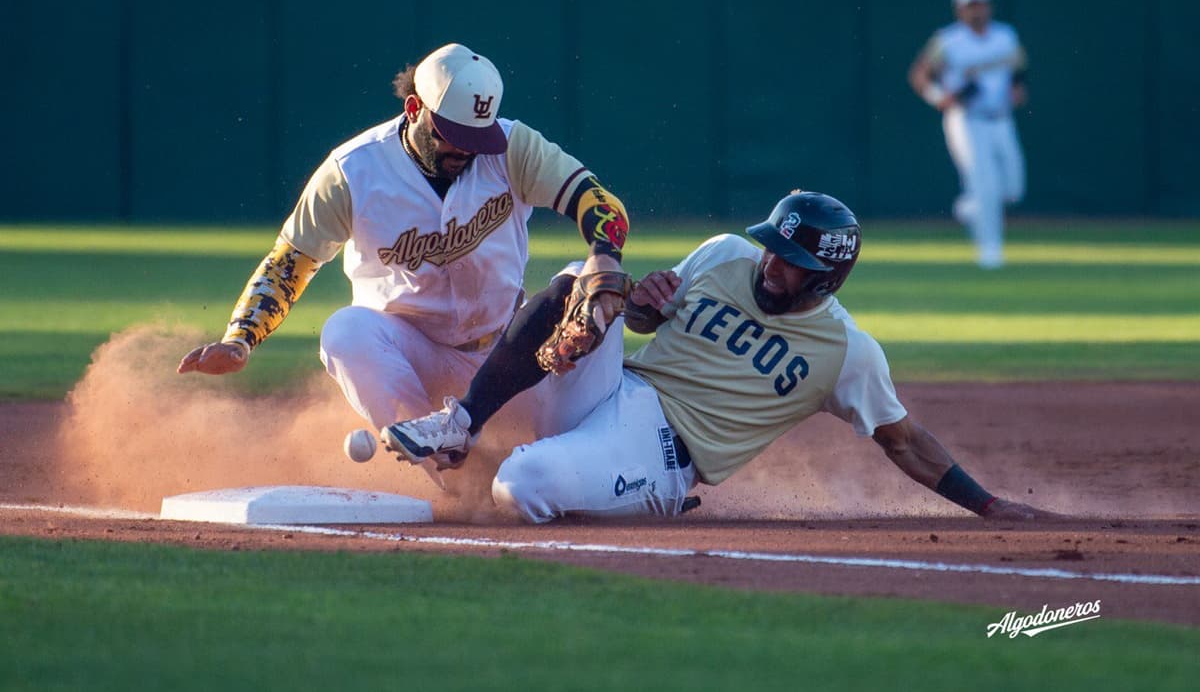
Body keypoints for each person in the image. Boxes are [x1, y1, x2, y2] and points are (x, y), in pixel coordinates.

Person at [381, 190, 1054, 523]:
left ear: (824, 279)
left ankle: (532, 473)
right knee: (583, 281)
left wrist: (988, 503)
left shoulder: (848, 352)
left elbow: (905, 442)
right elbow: (641, 317)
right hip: (611, 389)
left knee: (519, 486)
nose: (771, 264)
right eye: (772, 247)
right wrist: (640, 300)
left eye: (791, 263)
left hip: (663, 454)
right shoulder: (727, 253)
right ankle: (463, 422)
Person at [178, 42, 630, 441]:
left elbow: (600, 202)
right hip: (414, 358)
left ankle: (586, 451)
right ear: (415, 109)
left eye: (477, 138)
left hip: (508, 354)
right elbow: (291, 260)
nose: (467, 150)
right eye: (453, 136)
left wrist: (604, 257)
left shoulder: (512, 147)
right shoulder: (354, 171)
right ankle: (443, 465)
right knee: (344, 332)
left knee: (581, 284)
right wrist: (241, 337)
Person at [908, 0, 1029, 269]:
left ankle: (969, 206)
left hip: (1000, 119)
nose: (976, 11)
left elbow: (1018, 69)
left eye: (980, 4)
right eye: (970, 6)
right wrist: (939, 96)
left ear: (989, 6)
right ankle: (990, 251)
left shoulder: (1005, 36)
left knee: (1013, 188)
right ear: (960, 10)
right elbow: (919, 74)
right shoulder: (949, 40)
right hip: (966, 120)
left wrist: (1017, 87)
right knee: (986, 185)